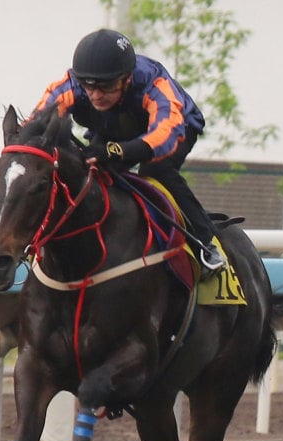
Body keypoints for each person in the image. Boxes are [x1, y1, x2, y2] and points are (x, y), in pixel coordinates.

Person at [32, 28, 225, 272]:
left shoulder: (154, 84)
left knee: (155, 171)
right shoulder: (70, 86)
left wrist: (114, 151)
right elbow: (37, 124)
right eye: (88, 86)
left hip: (174, 128)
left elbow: (163, 138)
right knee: (89, 171)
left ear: (127, 78)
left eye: (106, 86)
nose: (96, 94)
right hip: (114, 125)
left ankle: (205, 243)